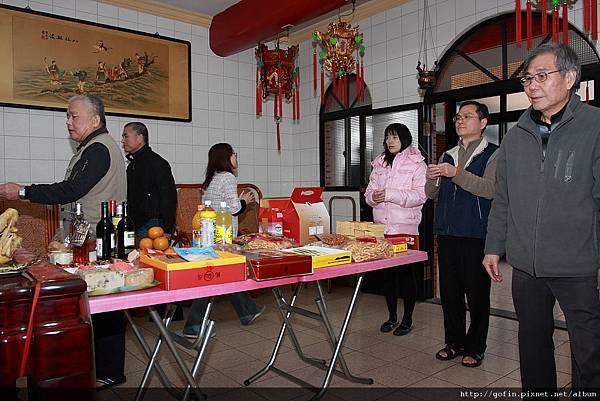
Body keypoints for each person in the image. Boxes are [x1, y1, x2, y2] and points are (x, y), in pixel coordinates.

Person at [483, 43, 600, 392]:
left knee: (589, 351)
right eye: (527, 78)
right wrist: (493, 247)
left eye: (542, 76)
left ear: (569, 77)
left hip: (579, 265)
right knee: (532, 347)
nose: (532, 85)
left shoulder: (594, 126)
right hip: (526, 267)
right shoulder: (515, 136)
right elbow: (503, 197)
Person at [0, 94, 127, 387]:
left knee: (104, 302)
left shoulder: (99, 149)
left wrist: (22, 191)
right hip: (86, 235)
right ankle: (100, 368)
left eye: (74, 116)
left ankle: (109, 371)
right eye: (67, 116)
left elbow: (71, 190)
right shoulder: (91, 148)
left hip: (96, 238)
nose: (68, 122)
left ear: (94, 119)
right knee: (94, 303)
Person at [426, 100, 497, 368]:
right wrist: (432, 177)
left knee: (477, 294)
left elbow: (490, 189)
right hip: (447, 232)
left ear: (483, 122)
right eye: (458, 117)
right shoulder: (448, 154)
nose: (460, 121)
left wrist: (455, 173)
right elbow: (431, 194)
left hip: (475, 233)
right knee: (450, 293)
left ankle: (476, 347)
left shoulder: (494, 153)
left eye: (467, 116)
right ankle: (454, 342)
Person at [183, 143, 264, 338]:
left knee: (226, 275)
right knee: (212, 279)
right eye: (234, 154)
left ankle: (248, 311)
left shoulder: (212, 178)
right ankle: (193, 325)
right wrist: (245, 200)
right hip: (223, 235)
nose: (236, 157)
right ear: (226, 157)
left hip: (209, 233)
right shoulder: (228, 177)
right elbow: (234, 208)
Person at [364, 123, 426, 336]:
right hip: (382, 229)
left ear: (405, 139)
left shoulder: (417, 163)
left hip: (405, 229)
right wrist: (373, 197)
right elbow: (369, 193)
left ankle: (407, 319)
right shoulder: (379, 163)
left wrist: (390, 194)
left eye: (395, 137)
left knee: (407, 276)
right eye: (388, 137)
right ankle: (392, 317)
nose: (390, 141)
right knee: (388, 277)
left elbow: (420, 196)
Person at [122, 122, 177, 239]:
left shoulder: (157, 163)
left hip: (152, 225)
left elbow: (169, 198)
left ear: (140, 138)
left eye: (126, 136)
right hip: (134, 224)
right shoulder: (132, 165)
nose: (123, 141)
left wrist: (167, 229)